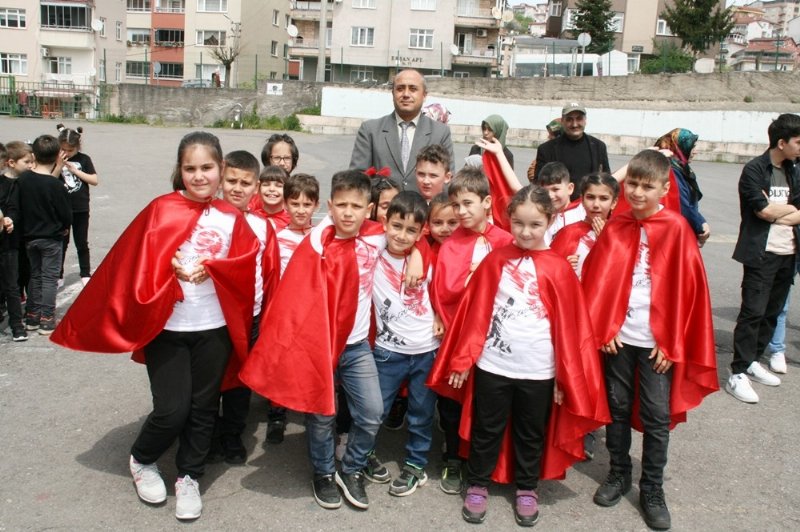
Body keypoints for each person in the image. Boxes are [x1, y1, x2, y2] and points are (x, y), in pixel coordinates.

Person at [51, 132, 259, 521]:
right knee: (172, 408)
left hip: (214, 328)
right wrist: (170, 270)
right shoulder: (161, 209)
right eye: (190, 168)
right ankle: (143, 460)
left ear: (221, 170)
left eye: (207, 168)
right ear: (180, 172)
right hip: (169, 328)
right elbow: (134, 265)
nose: (200, 176)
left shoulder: (233, 218)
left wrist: (213, 270)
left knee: (202, 408)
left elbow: (246, 267)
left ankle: (189, 476)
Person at [239, 170, 423, 511]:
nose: (349, 213)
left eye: (356, 206)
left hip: (356, 348)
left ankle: (351, 469)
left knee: (371, 411)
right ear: (330, 207)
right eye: (341, 205)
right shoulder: (318, 242)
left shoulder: (376, 237)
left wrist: (418, 254)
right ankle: (323, 473)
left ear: (369, 208)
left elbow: (410, 236)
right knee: (322, 413)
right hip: (320, 347)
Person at [428, 185, 609, 527]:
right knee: (487, 428)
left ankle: (527, 487)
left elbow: (569, 332)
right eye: (518, 223)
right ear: (508, 220)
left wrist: (562, 377)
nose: (525, 232)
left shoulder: (558, 268)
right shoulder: (495, 260)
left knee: (530, 431)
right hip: (494, 365)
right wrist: (464, 360)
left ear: (549, 221)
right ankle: (478, 482)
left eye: (535, 225)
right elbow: (476, 314)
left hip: (539, 371)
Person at [581, 150, 717, 531]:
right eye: (634, 184)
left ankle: (652, 487)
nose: (638, 192)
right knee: (618, 407)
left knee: (657, 416)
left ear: (665, 187)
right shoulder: (617, 225)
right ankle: (618, 472)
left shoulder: (676, 228)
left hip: (658, 343)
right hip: (621, 340)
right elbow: (597, 281)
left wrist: (673, 342)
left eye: (647, 185)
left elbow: (690, 293)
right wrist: (604, 327)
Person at [431, 167, 513, 496]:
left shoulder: (506, 241)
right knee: (452, 401)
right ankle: (453, 455)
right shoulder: (451, 244)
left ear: (487, 202)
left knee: (487, 405)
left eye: (468, 203)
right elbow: (443, 287)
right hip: (456, 333)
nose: (461, 211)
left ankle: (481, 460)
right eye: (456, 205)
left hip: (494, 339)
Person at [205, 150, 280, 465]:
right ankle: (206, 436)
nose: (237, 188)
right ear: (222, 179)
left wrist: (266, 321)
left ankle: (233, 435)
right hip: (210, 317)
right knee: (208, 382)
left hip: (248, 318)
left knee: (238, 382)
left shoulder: (263, 227)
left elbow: (271, 274)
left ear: (256, 187)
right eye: (232, 180)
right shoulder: (205, 217)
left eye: (245, 183)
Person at [371, 191, 442, 497]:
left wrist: (418, 252)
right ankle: (364, 455)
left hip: (426, 350)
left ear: (422, 231)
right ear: (385, 222)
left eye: (411, 230)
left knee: (421, 413)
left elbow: (439, 292)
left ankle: (416, 464)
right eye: (396, 226)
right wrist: (416, 251)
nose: (402, 235)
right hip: (387, 352)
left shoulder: (427, 255)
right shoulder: (373, 251)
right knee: (376, 410)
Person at [727, 113, 800, 403]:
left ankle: (754, 360)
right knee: (752, 312)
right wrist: (785, 212)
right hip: (761, 253)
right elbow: (762, 212)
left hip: (789, 253)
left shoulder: (795, 169)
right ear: (781, 143)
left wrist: (778, 211)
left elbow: (783, 211)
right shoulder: (755, 170)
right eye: (797, 141)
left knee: (772, 312)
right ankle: (738, 372)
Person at [267, 172, 321, 445]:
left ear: (316, 205)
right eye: (295, 204)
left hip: (312, 313)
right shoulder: (276, 237)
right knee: (281, 363)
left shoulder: (321, 237)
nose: (301, 210)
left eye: (307, 204)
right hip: (285, 313)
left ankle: (310, 409)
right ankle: (276, 413)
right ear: (285, 205)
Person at [350, 68, 454, 192]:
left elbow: (448, 182)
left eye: (413, 89)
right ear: (392, 93)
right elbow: (357, 179)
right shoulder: (370, 130)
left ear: (424, 95)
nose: (406, 94)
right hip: (382, 210)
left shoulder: (441, 133)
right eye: (400, 89)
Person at [17, 135, 72, 335]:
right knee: (49, 278)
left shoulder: (24, 179)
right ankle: (47, 318)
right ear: (57, 156)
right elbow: (66, 213)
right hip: (51, 237)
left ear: (34, 155)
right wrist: (65, 227)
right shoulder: (55, 185)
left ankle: (32, 315)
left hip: (30, 236)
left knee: (35, 275)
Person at [531, 102, 610, 199]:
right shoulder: (546, 149)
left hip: (587, 208)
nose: (575, 124)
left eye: (579, 119)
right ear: (563, 121)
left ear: (585, 121)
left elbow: (607, 181)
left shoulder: (598, 147)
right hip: (557, 207)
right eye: (569, 119)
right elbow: (538, 184)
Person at [551, 172, 619, 279]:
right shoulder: (568, 233)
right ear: (582, 200)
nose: (596, 205)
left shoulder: (620, 235)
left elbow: (621, 274)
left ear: (614, 202)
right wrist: (564, 268)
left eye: (603, 198)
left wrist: (605, 241)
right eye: (590, 197)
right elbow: (549, 271)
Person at [55, 124, 98, 287]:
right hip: (61, 209)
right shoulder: (55, 159)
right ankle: (58, 274)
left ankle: (85, 273)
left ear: (77, 147)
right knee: (61, 243)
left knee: (81, 242)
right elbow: (51, 181)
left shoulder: (84, 159)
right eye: (63, 149)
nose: (66, 153)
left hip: (80, 208)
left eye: (70, 150)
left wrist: (75, 171)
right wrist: (59, 165)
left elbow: (94, 180)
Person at [653, 128, 711, 246]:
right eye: (692, 147)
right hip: (673, 235)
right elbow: (683, 205)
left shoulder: (679, 167)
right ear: (681, 147)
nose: (695, 152)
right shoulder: (672, 170)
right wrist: (700, 226)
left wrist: (701, 221)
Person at [0, 141, 33, 341]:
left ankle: (16, 325)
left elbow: (13, 208)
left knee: (12, 285)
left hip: (8, 243)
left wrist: (10, 218)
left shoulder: (11, 184)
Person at [536, 162, 584, 244]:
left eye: (555, 189)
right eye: (544, 191)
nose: (550, 195)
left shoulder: (582, 210)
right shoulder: (541, 218)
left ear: (570, 188)